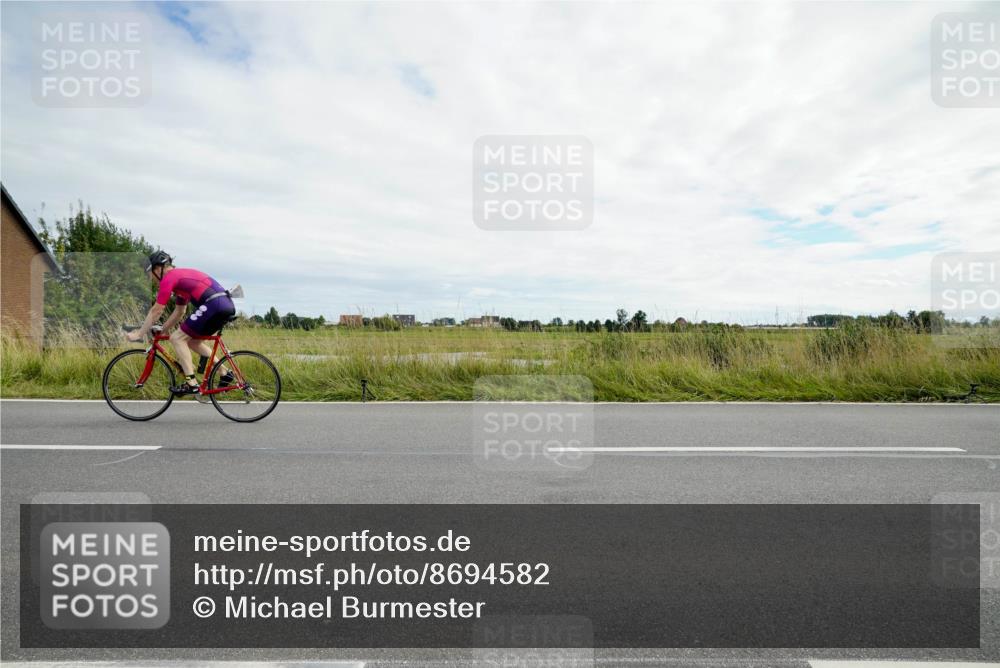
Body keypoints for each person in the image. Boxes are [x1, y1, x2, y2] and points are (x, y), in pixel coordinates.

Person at [126, 251, 236, 395]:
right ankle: (224, 372)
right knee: (192, 342)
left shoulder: (169, 278)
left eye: (150, 273)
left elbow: (156, 310)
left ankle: (191, 383)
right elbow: (179, 312)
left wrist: (139, 334)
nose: (150, 278)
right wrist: (163, 329)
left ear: (158, 268)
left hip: (214, 304)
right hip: (224, 305)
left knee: (177, 338)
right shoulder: (180, 281)